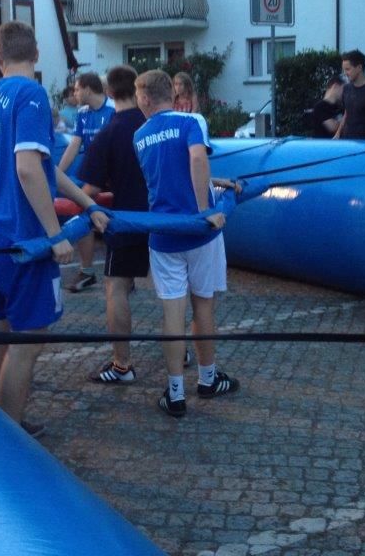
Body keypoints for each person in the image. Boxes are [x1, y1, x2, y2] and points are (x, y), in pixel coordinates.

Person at [0, 21, 107, 437]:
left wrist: (88, 205)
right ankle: (10, 441)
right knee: (27, 342)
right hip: (23, 237)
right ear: (36, 54)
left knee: (0, 331)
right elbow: (28, 169)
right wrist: (54, 235)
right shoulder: (29, 95)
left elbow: (44, 167)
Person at [133, 69, 240, 418]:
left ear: (147, 98)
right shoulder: (192, 120)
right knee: (204, 306)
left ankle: (175, 392)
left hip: (165, 234)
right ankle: (208, 379)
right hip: (201, 232)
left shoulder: (139, 135)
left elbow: (168, 173)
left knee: (172, 313)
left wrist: (215, 183)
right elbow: (195, 159)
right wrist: (204, 209)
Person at [78, 65, 150, 384]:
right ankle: (183, 350)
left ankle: (122, 365)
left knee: (115, 287)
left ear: (109, 93)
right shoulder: (155, 123)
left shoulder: (110, 132)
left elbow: (89, 191)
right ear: (136, 90)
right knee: (173, 288)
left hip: (127, 221)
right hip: (165, 220)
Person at [57, 72, 115, 292]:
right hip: (93, 175)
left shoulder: (113, 110)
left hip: (111, 177)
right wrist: (58, 175)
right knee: (82, 210)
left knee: (103, 216)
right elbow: (74, 145)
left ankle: (123, 275)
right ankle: (88, 271)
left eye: (77, 89)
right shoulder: (83, 113)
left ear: (88, 89)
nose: (74, 93)